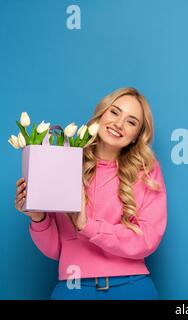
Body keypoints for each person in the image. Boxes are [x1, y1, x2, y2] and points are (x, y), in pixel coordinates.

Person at [15, 87, 167, 300]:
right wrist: (38, 217)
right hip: (73, 288)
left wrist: (88, 226)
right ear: (102, 113)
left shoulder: (146, 171)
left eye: (131, 122)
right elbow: (56, 250)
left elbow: (147, 240)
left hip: (132, 287)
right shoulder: (65, 161)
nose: (118, 124)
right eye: (114, 112)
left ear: (136, 136)